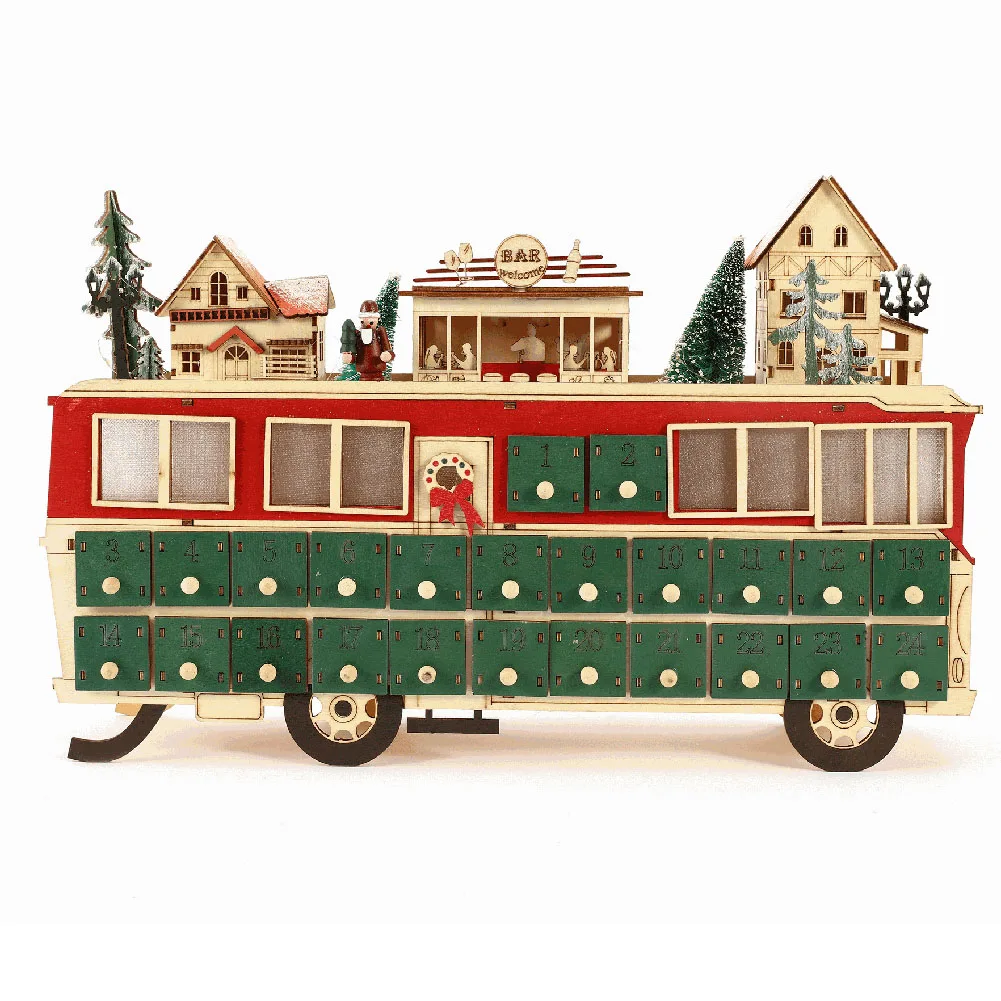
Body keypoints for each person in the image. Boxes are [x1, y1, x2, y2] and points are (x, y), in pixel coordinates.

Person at [341, 299, 394, 381]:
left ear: (377, 320)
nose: (367, 325)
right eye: (362, 322)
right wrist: (350, 358)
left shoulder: (380, 332)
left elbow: (388, 350)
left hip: (378, 372)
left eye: (371, 323)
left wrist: (388, 355)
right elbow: (354, 351)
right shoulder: (358, 335)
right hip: (363, 374)